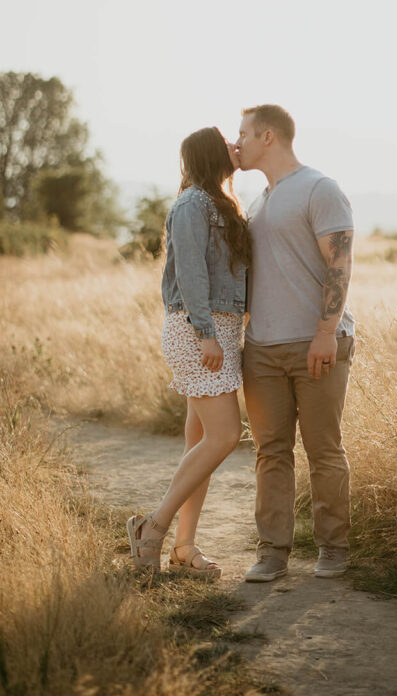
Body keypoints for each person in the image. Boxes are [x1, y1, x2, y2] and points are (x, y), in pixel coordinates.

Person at [235, 104, 355, 582]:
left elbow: (340, 265)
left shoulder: (319, 189)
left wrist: (325, 333)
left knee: (324, 449)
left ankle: (333, 549)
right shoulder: (259, 200)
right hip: (261, 348)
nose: (236, 141)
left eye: (242, 133)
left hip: (316, 344)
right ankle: (272, 554)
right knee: (271, 452)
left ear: (267, 136)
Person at [126, 126, 250, 578]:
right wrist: (206, 334)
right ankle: (152, 530)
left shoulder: (219, 201)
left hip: (219, 331)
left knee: (199, 444)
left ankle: (184, 548)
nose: (237, 146)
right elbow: (194, 273)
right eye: (230, 141)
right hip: (199, 332)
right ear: (212, 153)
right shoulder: (192, 204)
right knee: (224, 437)